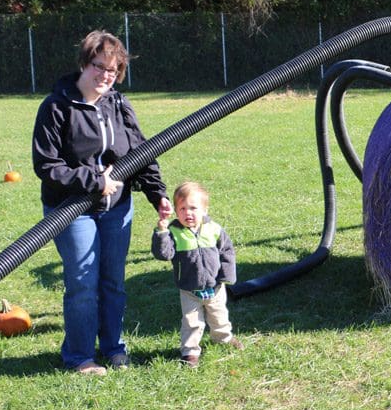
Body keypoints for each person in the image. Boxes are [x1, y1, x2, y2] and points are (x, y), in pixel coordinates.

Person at [33, 30, 173, 376]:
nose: (105, 76)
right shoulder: (57, 106)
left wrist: (158, 195)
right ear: (84, 63)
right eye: (100, 67)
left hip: (117, 209)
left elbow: (142, 153)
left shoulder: (118, 104)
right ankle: (79, 356)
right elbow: (46, 166)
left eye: (113, 71)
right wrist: (95, 180)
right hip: (71, 210)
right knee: (83, 282)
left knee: (113, 280)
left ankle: (113, 348)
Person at [152, 181, 243, 367]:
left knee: (219, 316)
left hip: (215, 286)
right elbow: (164, 254)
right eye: (182, 208)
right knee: (192, 322)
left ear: (205, 209)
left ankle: (223, 338)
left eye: (193, 208)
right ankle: (190, 352)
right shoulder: (173, 232)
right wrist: (161, 232)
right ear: (176, 211)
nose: (188, 213)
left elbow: (227, 252)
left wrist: (226, 276)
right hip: (188, 288)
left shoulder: (214, 229)